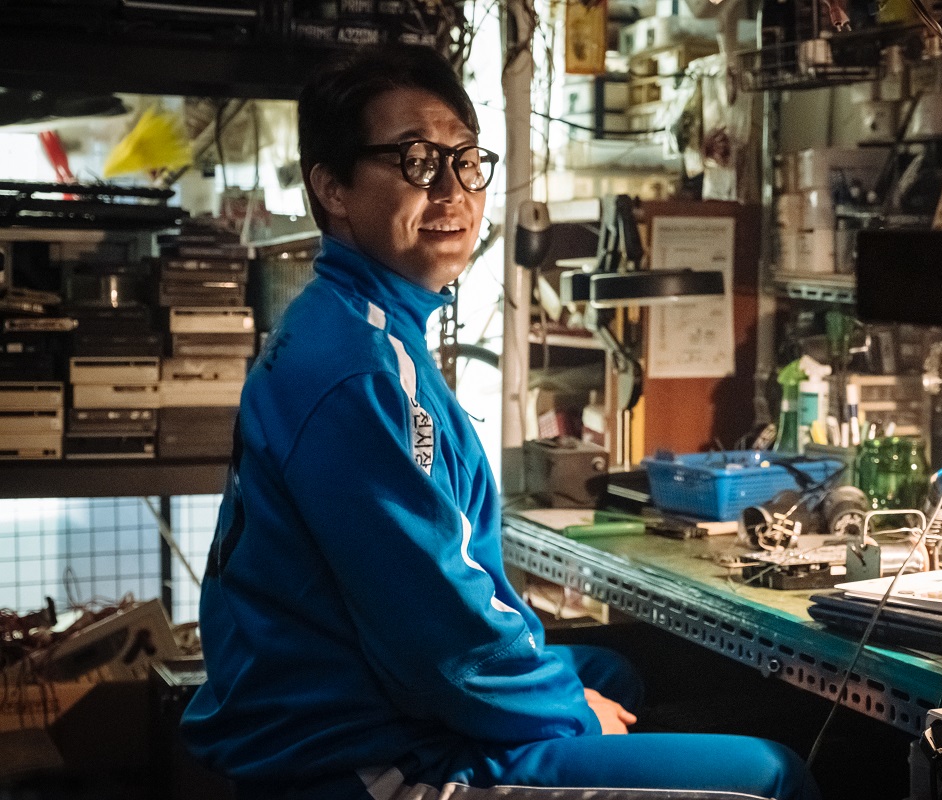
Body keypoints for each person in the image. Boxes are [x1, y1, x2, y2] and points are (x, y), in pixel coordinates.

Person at [181, 45, 821, 800]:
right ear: (333, 188)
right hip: (363, 758)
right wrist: (572, 713)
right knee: (770, 777)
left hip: (366, 700)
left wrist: (571, 693)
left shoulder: (354, 323)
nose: (452, 190)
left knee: (615, 670)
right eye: (417, 161)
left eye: (465, 160)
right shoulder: (360, 370)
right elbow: (440, 641)